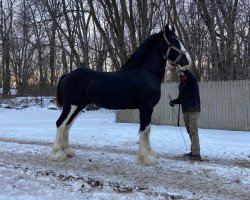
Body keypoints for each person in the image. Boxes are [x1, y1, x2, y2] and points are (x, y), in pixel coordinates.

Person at [169, 69, 201, 160]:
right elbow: (181, 98)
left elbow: (190, 75)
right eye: (179, 75)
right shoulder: (181, 85)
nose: (180, 76)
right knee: (190, 132)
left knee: (193, 131)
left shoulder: (192, 81)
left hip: (193, 109)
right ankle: (193, 151)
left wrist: (184, 68)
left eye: (181, 74)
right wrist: (173, 102)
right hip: (185, 110)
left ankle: (196, 154)